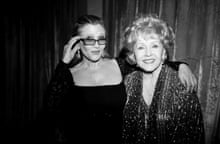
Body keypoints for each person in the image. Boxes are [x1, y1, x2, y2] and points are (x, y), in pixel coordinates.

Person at [45, 14, 197, 144]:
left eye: (101, 39)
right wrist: (63, 63)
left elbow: (148, 61)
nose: (97, 45)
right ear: (77, 42)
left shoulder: (119, 65)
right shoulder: (67, 74)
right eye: (90, 40)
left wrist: (180, 65)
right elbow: (50, 109)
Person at [122, 14, 205, 144]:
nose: (148, 53)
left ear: (164, 51)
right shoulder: (128, 82)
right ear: (133, 54)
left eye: (154, 46)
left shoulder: (181, 85)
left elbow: (194, 136)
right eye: (141, 47)